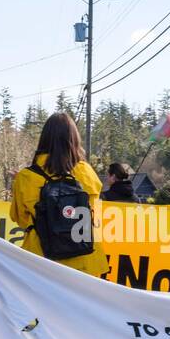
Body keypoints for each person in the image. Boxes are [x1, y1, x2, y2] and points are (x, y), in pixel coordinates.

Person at [10, 113, 109, 277]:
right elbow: (94, 216)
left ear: (44, 139)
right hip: (85, 261)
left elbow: (19, 218)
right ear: (74, 139)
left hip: (41, 261)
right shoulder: (86, 172)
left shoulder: (26, 177)